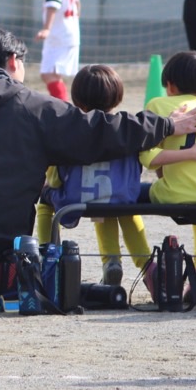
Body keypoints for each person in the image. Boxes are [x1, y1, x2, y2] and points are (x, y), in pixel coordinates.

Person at [0, 28, 196, 269]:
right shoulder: (33, 108)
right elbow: (99, 130)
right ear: (13, 61)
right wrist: (166, 125)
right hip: (4, 243)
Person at [37, 65, 151, 286]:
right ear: (117, 97)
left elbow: (56, 179)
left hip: (75, 199)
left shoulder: (69, 131)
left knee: (45, 200)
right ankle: (136, 263)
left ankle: (47, 255)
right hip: (119, 197)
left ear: (78, 100)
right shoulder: (127, 130)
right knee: (117, 206)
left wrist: (49, 184)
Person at [139, 51, 196, 303]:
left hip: (173, 195)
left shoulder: (158, 105)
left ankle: (146, 265)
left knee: (127, 196)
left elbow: (148, 158)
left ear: (169, 85)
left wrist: (181, 157)